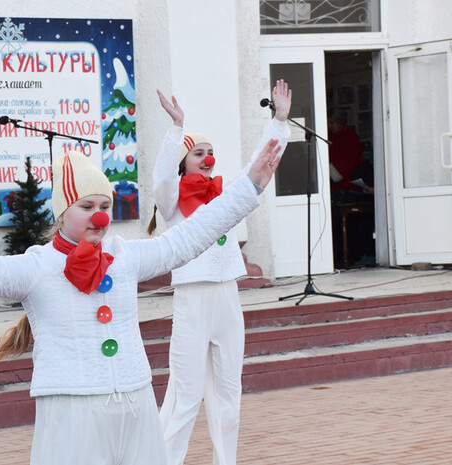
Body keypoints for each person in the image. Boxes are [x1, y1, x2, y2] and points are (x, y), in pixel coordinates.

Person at [0, 134, 283, 464]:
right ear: (62, 213)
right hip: (73, 410)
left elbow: (189, 237)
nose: (98, 216)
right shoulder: (38, 266)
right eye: (86, 206)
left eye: (104, 205)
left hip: (135, 404)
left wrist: (249, 186)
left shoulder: (123, 255)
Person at [151, 81, 292, 465]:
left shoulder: (226, 192)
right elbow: (162, 178)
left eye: (211, 152)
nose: (208, 157)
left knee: (229, 391)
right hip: (193, 298)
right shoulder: (172, 200)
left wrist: (279, 120)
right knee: (185, 394)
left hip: (227, 294)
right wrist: (176, 128)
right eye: (199, 153)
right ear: (185, 161)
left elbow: (258, 166)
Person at [327, 109, 364, 193]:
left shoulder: (349, 137)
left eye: (332, 122)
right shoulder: (331, 135)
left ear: (340, 121)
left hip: (348, 187)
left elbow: (341, 171)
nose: (329, 126)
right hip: (336, 186)